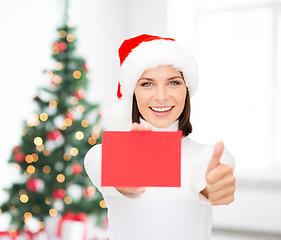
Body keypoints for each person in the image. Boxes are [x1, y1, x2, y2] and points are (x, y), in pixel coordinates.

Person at [84, 34, 236, 240]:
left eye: (173, 82)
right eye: (147, 84)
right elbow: (111, 173)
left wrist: (215, 187)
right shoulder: (101, 154)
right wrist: (128, 172)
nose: (162, 96)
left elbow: (214, 178)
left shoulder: (208, 156)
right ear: (133, 93)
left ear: (186, 90)